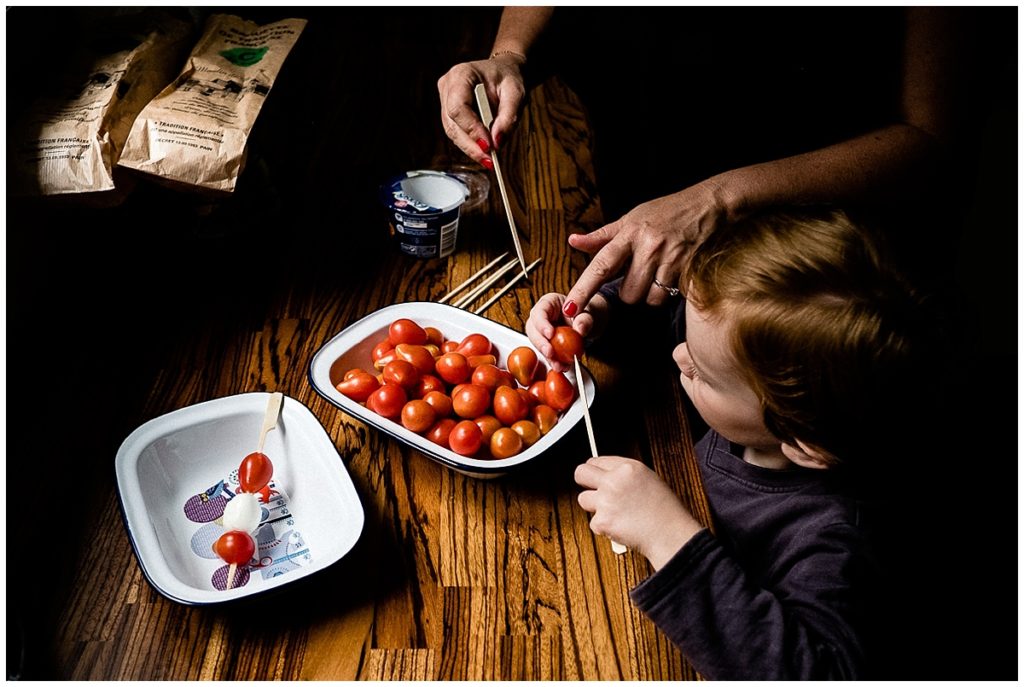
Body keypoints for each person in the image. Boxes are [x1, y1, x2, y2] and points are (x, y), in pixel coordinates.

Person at [525, 207, 945, 679]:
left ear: (802, 446)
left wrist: (669, 536)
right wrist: (598, 320)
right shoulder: (766, 402)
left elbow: (807, 671)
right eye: (688, 338)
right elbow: (690, 332)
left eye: (700, 373)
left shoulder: (833, 543)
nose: (679, 354)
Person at [437, 7, 963, 316]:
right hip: (648, 263)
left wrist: (719, 199)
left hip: (815, 295)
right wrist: (509, 54)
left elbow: (932, 143)